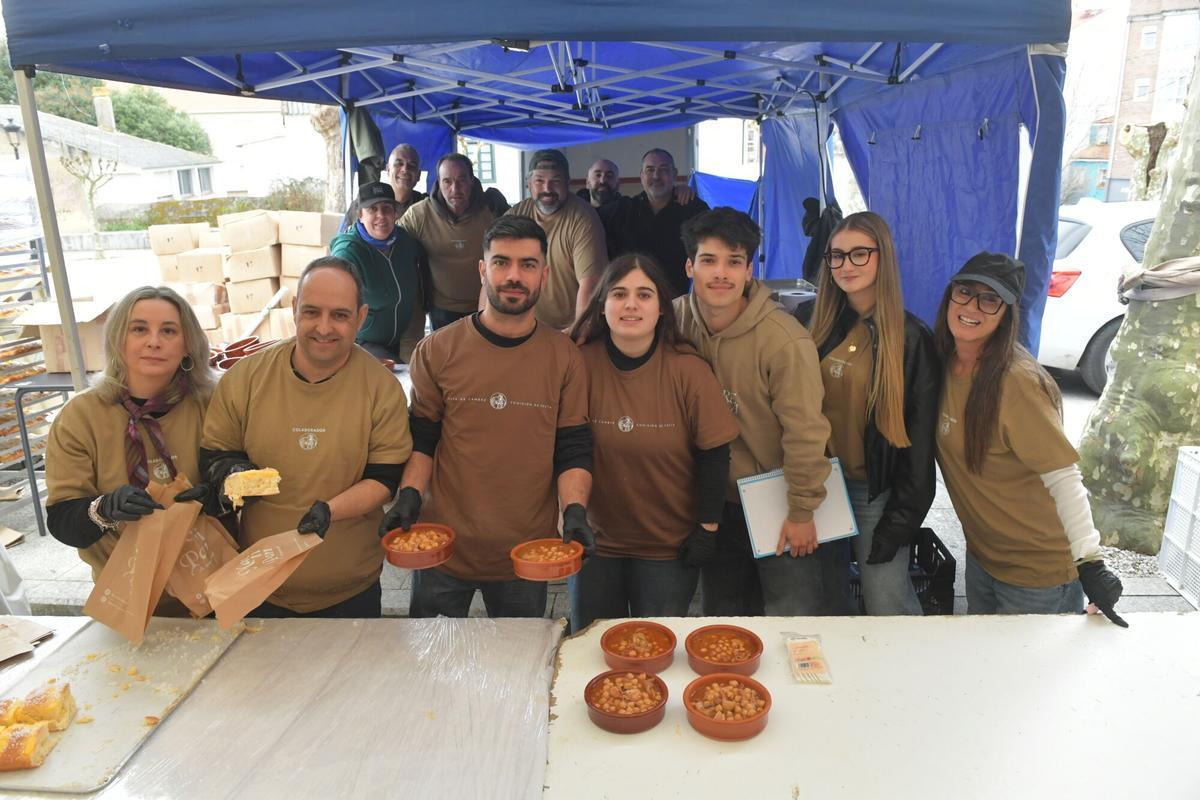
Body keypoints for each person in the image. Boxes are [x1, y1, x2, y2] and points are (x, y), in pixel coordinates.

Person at [380, 216, 595, 618]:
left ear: (544, 274)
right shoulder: (437, 350)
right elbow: (423, 437)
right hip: (441, 548)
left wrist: (576, 511)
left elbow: (573, 447)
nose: (514, 276)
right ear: (483, 269)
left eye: (528, 265)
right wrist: (407, 497)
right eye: (502, 263)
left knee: (518, 671)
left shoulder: (565, 357)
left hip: (526, 554)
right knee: (431, 668)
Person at [200, 257, 412, 618]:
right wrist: (229, 476)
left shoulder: (381, 389)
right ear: (294, 310)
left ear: (360, 318)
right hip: (259, 584)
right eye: (311, 312)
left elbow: (385, 478)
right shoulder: (246, 379)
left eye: (340, 315)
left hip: (351, 589)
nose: (324, 327)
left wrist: (330, 510)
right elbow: (216, 456)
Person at [933, 252, 1126, 625]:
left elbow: (1064, 477)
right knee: (988, 667)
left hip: (1037, 573)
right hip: (984, 557)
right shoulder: (943, 363)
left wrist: (1090, 561)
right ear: (949, 296)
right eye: (965, 291)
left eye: (990, 299)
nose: (972, 306)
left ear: (1007, 312)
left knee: (1027, 681)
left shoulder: (1016, 383)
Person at [674, 208, 851, 616]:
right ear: (689, 265)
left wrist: (803, 510)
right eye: (708, 261)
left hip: (779, 498)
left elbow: (806, 432)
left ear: (749, 270)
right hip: (713, 502)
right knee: (723, 616)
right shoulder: (674, 320)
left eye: (733, 262)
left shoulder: (784, 340)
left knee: (794, 618)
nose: (721, 274)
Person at [567, 253, 738, 630]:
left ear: (662, 307)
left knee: (656, 651)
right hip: (594, 542)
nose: (631, 304)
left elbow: (715, 454)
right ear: (602, 306)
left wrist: (707, 529)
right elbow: (560, 446)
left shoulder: (688, 370)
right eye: (619, 294)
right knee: (590, 649)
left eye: (644, 295)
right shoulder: (577, 363)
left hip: (667, 548)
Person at [45, 286, 218, 615]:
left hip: (214, 587)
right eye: (139, 329)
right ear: (117, 340)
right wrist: (104, 509)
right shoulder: (81, 417)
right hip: (125, 597)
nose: (154, 341)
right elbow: (62, 520)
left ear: (188, 346)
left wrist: (217, 494)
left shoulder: (214, 403)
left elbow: (252, 478)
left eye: (168, 330)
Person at [799, 211, 939, 615]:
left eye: (860, 254)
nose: (846, 266)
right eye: (837, 256)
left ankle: (903, 677)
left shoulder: (912, 338)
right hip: (819, 485)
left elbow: (920, 443)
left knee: (887, 600)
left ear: (884, 258)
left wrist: (901, 521)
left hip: (874, 491)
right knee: (824, 600)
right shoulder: (813, 323)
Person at [506, 149, 606, 330]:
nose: (547, 189)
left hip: (568, 327)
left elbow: (590, 284)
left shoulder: (583, 218)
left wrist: (577, 332)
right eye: (539, 181)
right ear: (528, 183)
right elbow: (493, 277)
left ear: (568, 182)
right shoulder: (515, 215)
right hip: (523, 325)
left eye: (555, 181)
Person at [329, 181, 427, 362]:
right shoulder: (349, 251)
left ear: (395, 213)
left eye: (387, 208)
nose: (381, 215)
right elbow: (330, 296)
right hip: (362, 342)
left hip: (402, 338)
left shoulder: (404, 240)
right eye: (372, 209)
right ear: (360, 214)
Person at [400, 153, 498, 330]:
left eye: (461, 180)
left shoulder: (491, 210)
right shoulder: (420, 214)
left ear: (472, 181)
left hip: (485, 306)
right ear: (438, 182)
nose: (455, 189)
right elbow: (390, 240)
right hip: (442, 310)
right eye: (447, 181)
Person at [600, 148, 709, 297]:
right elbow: (588, 215)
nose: (656, 176)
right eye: (650, 170)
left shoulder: (694, 210)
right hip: (630, 302)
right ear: (641, 176)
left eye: (664, 170)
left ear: (675, 174)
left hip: (674, 305)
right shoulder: (623, 210)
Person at [340, 143, 425, 232]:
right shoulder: (364, 203)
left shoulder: (425, 207)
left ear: (418, 175)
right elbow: (342, 240)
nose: (405, 169)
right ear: (388, 170)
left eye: (412, 166)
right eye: (399, 164)